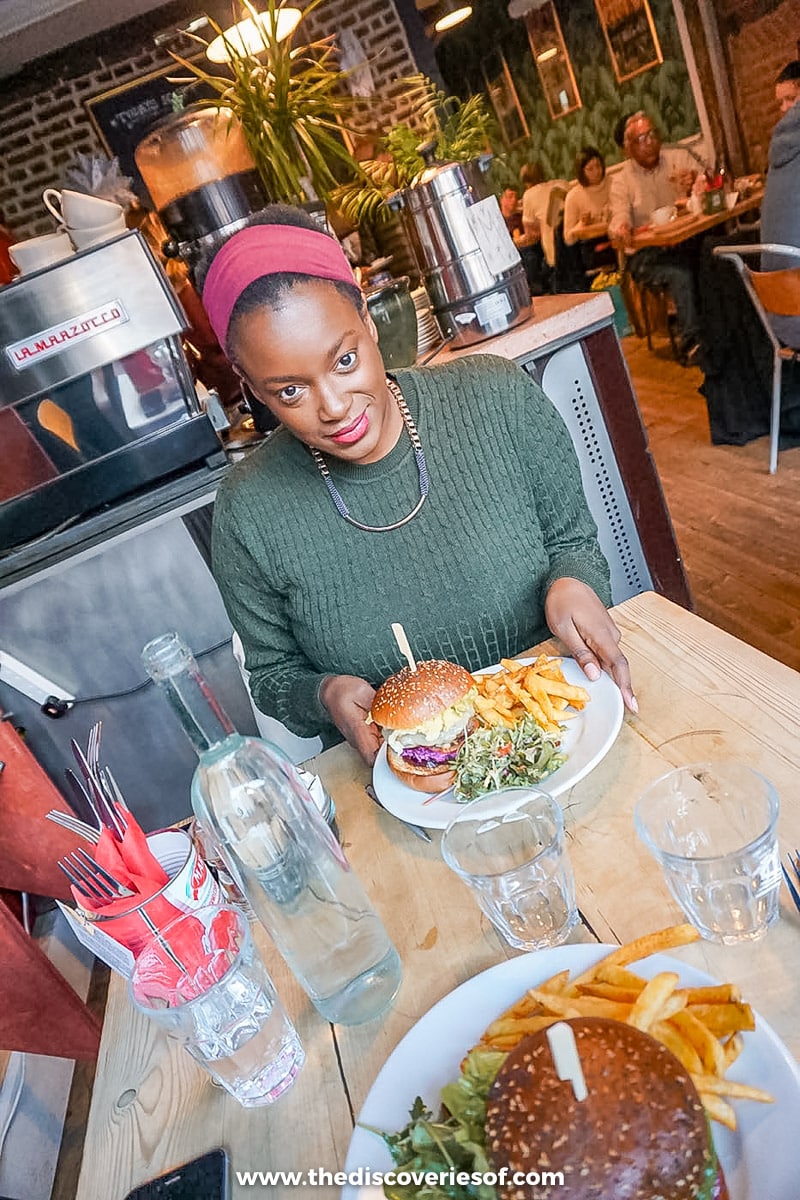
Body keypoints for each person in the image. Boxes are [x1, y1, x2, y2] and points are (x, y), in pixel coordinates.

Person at [200, 205, 635, 763]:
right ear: (253, 389)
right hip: (412, 789)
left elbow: (572, 541)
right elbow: (272, 674)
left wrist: (573, 582)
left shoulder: (497, 399)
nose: (333, 407)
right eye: (289, 391)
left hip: (568, 735)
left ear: (368, 315)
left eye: (346, 360)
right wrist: (323, 694)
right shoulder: (248, 512)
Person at [609, 112, 701, 362]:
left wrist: (695, 182)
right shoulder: (622, 181)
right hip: (644, 255)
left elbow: (708, 179)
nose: (649, 141)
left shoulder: (676, 158)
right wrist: (621, 228)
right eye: (641, 138)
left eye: (652, 134)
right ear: (627, 148)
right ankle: (692, 343)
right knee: (680, 273)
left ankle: (722, 328)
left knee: (711, 254)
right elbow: (618, 216)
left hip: (682, 240)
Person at [563, 148, 611, 247]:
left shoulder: (613, 183)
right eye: (590, 169)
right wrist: (582, 223)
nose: (597, 172)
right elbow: (568, 238)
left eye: (598, 166)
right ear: (582, 172)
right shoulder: (573, 196)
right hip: (592, 245)